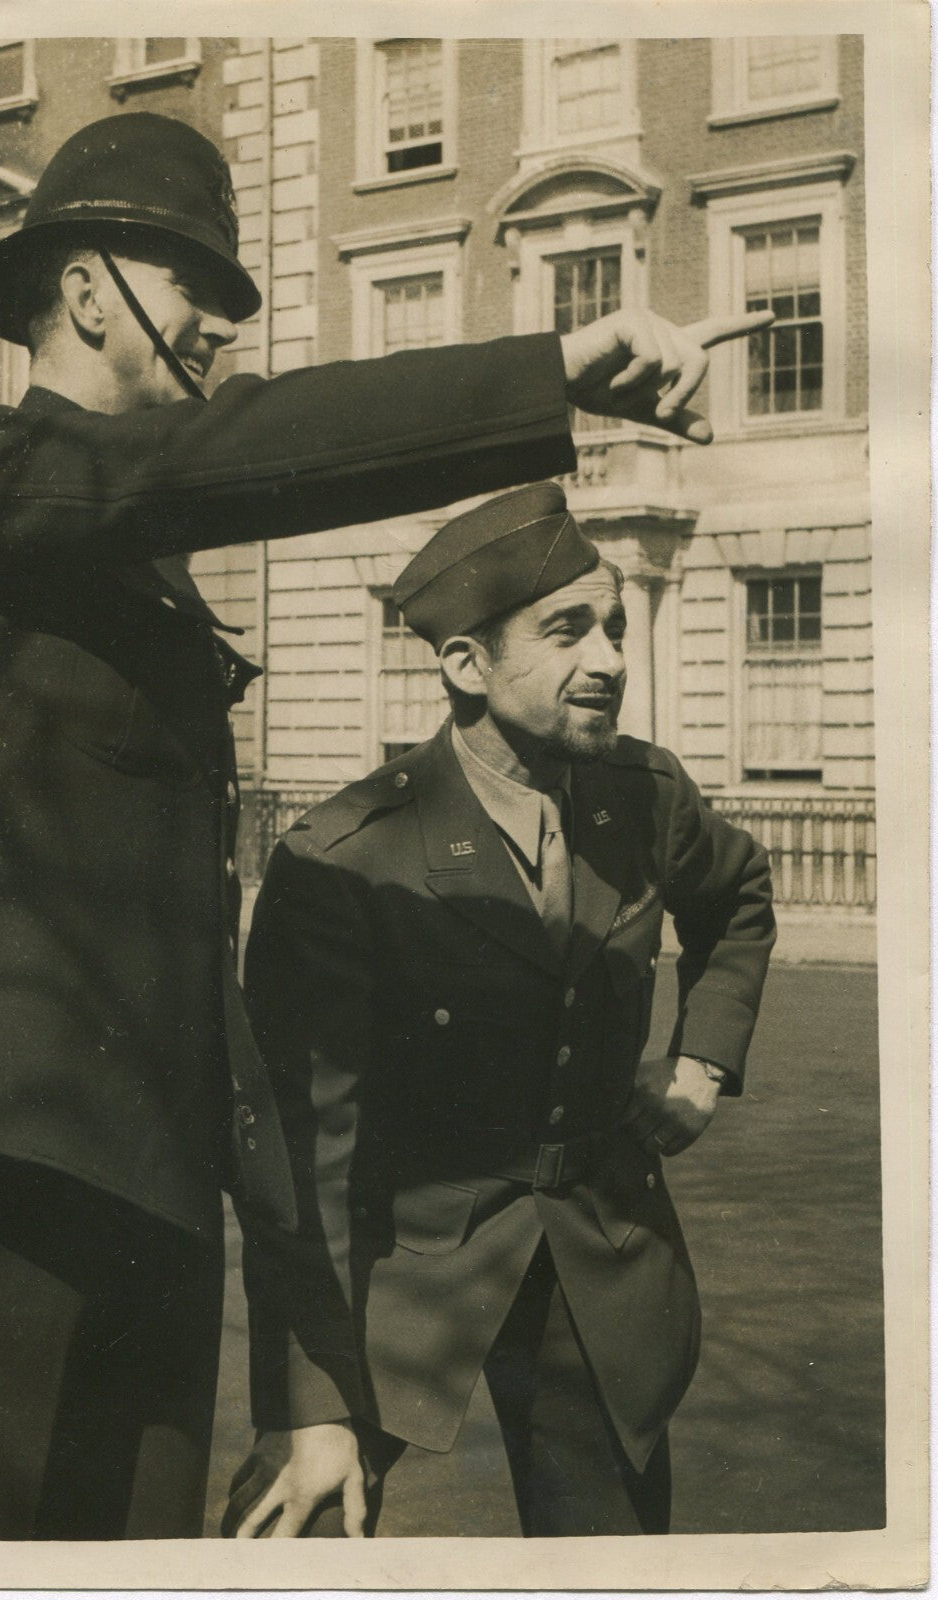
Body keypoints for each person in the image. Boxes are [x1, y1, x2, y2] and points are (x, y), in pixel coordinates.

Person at [0, 108, 770, 1541]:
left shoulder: (126, 556)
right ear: (85, 289)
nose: (220, 327)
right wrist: (545, 376)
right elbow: (228, 452)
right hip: (7, 1151)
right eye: (194, 285)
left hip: (150, 1172)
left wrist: (306, 1373)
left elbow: (223, 984)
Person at [227, 482, 776, 1540]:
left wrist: (701, 1062)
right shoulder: (347, 857)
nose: (609, 659)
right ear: (464, 665)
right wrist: (314, 1407)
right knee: (295, 1532)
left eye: (614, 627)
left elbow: (738, 894)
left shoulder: (643, 797)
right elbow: (303, 1159)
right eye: (566, 631)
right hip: (399, 1273)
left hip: (601, 1255)